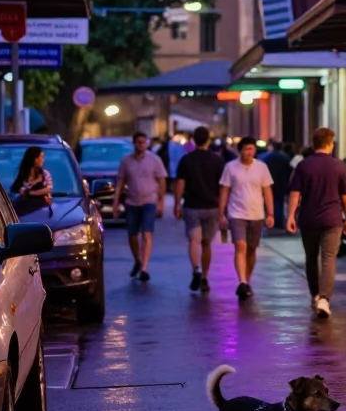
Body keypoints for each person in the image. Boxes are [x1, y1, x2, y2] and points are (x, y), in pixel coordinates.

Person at [286, 127, 346, 319]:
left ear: (314, 144)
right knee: (328, 258)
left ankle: (315, 294)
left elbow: (295, 193)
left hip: (308, 219)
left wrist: (291, 215)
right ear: (330, 144)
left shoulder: (303, 166)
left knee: (311, 257)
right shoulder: (339, 166)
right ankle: (324, 298)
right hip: (333, 219)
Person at [218, 136, 275, 301]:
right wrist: (221, 213)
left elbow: (268, 191)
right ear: (240, 150)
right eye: (245, 149)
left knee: (251, 249)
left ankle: (246, 280)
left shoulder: (262, 167)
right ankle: (242, 281)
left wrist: (270, 213)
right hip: (236, 214)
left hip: (256, 214)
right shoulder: (230, 167)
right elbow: (224, 191)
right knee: (240, 245)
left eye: (251, 149)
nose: (249, 153)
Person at [172, 126, 224, 294]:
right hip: (212, 206)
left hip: (192, 205)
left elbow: (180, 184)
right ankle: (205, 277)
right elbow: (223, 186)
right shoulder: (217, 161)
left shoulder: (187, 160)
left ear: (193, 140)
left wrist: (177, 204)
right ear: (208, 140)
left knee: (194, 241)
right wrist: (223, 208)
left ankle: (196, 269)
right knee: (207, 243)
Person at [114, 132, 168, 283]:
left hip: (149, 201)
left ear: (147, 144)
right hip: (131, 202)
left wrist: (161, 202)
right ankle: (137, 259)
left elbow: (162, 181)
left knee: (147, 233)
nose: (141, 145)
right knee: (132, 234)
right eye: (138, 142)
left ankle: (144, 267)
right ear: (134, 143)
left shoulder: (155, 160)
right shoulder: (126, 161)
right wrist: (116, 202)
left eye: (144, 143)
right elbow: (120, 182)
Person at [261, 139, 293, 231]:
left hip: (269, 183)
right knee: (279, 202)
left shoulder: (266, 157)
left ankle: (271, 220)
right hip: (282, 183)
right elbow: (289, 170)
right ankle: (278, 222)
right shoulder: (285, 157)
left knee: (269, 202)